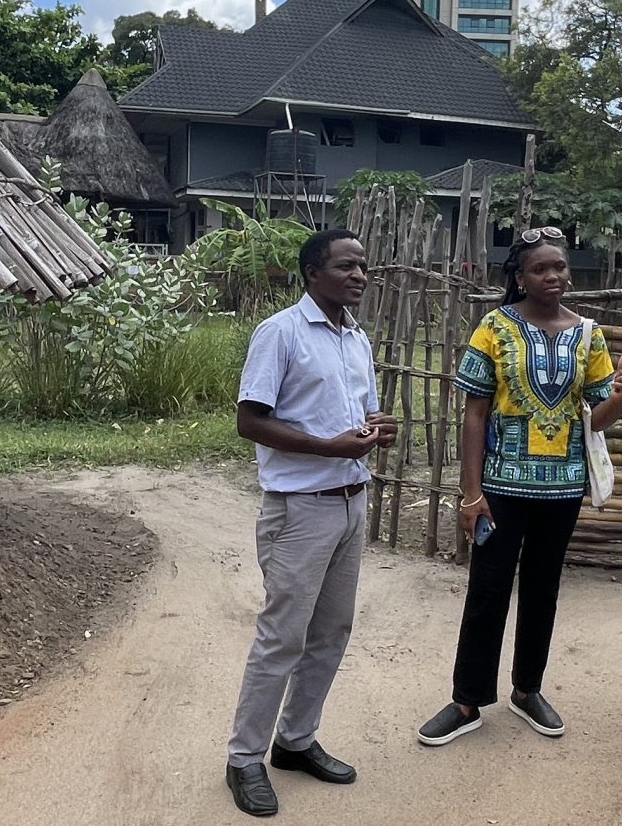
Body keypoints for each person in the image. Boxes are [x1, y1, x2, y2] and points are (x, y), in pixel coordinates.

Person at [417, 226, 622, 748]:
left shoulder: (589, 335)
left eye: (560, 267)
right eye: (541, 268)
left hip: (562, 487)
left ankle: (527, 689)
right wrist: (471, 494)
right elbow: (473, 415)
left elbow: (599, 419)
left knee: (543, 588)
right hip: (500, 487)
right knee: (487, 588)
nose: (554, 276)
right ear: (519, 276)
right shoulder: (493, 327)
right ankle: (467, 700)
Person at [225, 228, 397, 818]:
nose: (359, 275)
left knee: (331, 633)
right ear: (311, 272)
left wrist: (375, 430)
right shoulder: (281, 333)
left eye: (364, 267)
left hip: (351, 502)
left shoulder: (355, 337)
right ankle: (244, 758)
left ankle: (294, 742)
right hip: (300, 508)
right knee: (282, 637)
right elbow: (250, 420)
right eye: (347, 266)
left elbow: (354, 416)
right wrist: (327, 447)